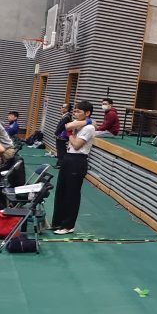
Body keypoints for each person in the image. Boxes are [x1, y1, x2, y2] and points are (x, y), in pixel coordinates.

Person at [51, 101, 96, 235]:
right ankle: (57, 222)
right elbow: (66, 126)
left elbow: (76, 145)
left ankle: (68, 225)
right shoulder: (81, 124)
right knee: (61, 191)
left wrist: (70, 133)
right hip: (68, 158)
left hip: (78, 160)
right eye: (74, 111)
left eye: (78, 111)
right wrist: (71, 128)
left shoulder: (89, 128)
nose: (75, 113)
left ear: (87, 113)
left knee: (72, 194)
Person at [54, 103, 73, 168]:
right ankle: (59, 163)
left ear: (67, 109)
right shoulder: (65, 116)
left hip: (62, 136)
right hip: (60, 136)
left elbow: (62, 126)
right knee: (60, 150)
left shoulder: (67, 117)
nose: (61, 108)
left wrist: (56, 133)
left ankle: (61, 164)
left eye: (63, 107)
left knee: (61, 150)